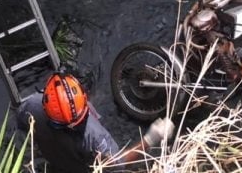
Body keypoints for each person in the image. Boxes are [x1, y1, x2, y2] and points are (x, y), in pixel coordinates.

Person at [17, 72, 174, 173]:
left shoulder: (33, 104)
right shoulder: (93, 135)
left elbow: (22, 123)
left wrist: (37, 146)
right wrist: (150, 139)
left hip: (54, 160)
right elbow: (117, 164)